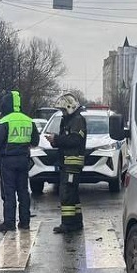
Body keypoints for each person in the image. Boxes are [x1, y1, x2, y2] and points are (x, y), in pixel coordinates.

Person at [0, 90, 38, 232]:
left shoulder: (5, 121)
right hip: (23, 160)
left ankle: (9, 223)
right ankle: (25, 222)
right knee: (23, 191)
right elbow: (35, 141)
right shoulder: (28, 120)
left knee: (9, 192)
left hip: (8, 161)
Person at [50, 93, 87, 235]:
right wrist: (55, 141)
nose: (62, 113)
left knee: (66, 193)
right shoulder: (69, 120)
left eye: (63, 110)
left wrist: (57, 139)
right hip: (67, 163)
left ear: (70, 107)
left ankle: (67, 224)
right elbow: (66, 140)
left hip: (72, 163)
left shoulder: (77, 120)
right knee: (72, 194)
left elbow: (75, 140)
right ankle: (76, 222)